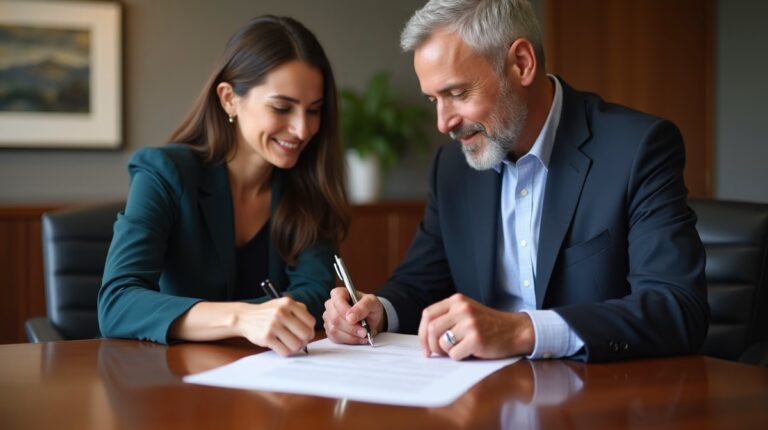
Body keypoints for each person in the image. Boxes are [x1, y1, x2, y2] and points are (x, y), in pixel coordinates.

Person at [323, 0, 709, 362]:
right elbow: (419, 285)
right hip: (481, 393)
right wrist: (377, 311)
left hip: (601, 392)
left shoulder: (637, 149)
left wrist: (523, 331)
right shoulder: (452, 167)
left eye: (457, 93)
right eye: (433, 100)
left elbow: (677, 307)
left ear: (521, 64)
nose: (443, 123)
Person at [98, 15, 349, 356]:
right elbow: (118, 303)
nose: (302, 129)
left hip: (272, 374)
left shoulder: (309, 185)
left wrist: (262, 318)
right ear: (229, 98)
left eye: (314, 111)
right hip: (170, 373)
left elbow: (314, 294)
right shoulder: (164, 172)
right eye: (282, 108)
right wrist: (241, 318)